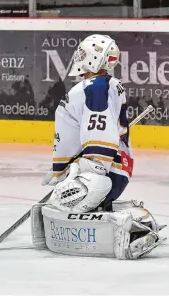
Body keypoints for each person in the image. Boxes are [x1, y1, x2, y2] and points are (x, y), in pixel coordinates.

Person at [33, 34, 165, 260]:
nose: (80, 58)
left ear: (96, 58)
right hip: (111, 169)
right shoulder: (102, 86)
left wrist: (91, 165)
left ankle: (125, 226)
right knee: (61, 197)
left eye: (84, 54)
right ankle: (131, 214)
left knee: (63, 200)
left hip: (102, 171)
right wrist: (61, 170)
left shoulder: (94, 88)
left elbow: (99, 135)